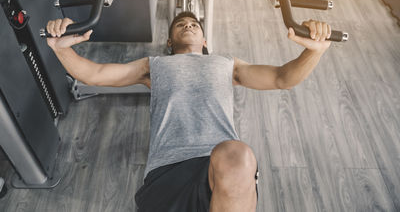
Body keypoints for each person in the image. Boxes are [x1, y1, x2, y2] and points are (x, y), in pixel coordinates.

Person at [46, 11, 332, 212]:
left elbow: (283, 78)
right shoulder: (154, 65)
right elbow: (95, 74)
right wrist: (61, 49)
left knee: (238, 156)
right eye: (180, 24)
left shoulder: (226, 63)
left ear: (205, 41)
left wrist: (314, 51)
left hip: (217, 167)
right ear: (169, 42)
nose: (188, 25)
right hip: (166, 174)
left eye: (194, 24)